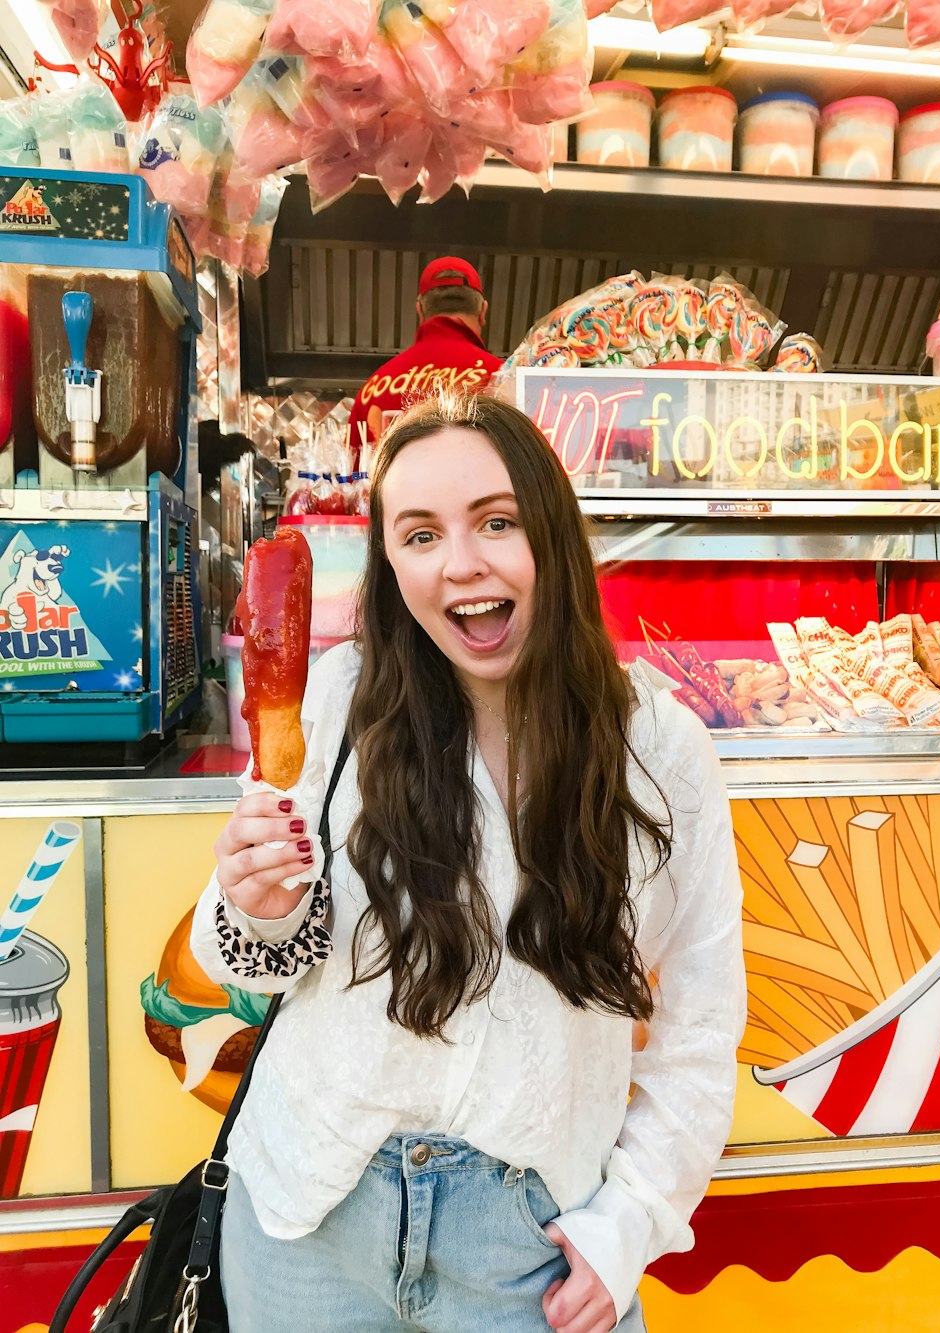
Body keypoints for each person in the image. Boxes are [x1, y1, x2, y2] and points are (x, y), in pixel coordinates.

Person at [192, 393, 746, 1333]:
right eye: (418, 535)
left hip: (530, 1248)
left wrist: (631, 1222)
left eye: (497, 521)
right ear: (390, 564)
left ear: (555, 539)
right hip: (308, 1215)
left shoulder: (661, 753)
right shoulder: (334, 706)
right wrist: (260, 907)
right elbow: (239, 959)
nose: (461, 564)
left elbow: (699, 1032)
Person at [346, 256, 504, 466]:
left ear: (420, 310)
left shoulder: (373, 388)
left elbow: (351, 479)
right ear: (483, 311)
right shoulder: (502, 379)